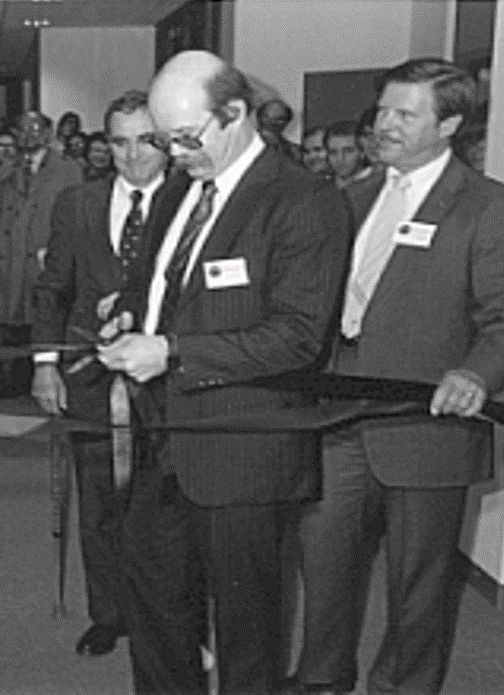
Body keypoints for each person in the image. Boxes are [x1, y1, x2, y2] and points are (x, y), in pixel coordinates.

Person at [96, 50, 351, 694]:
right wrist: (129, 317)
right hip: (163, 438)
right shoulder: (183, 188)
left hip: (244, 449)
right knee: (153, 607)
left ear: (235, 114)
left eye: (186, 137)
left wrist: (174, 351)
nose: (175, 154)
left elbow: (297, 338)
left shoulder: (303, 201)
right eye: (166, 140)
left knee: (246, 632)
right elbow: (159, 286)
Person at [291, 58, 504, 695]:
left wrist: (475, 372)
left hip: (427, 429)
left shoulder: (486, 207)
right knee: (324, 567)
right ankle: (322, 680)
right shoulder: (348, 199)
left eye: (404, 114)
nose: (383, 125)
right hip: (338, 420)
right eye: (383, 109)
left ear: (452, 124)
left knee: (418, 587)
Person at [32, 90, 188, 658]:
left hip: (170, 380)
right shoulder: (77, 203)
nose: (132, 156)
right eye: (118, 142)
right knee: (98, 501)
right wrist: (46, 364)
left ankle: (166, 616)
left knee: (166, 504)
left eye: (146, 140)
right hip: (89, 377)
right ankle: (109, 612)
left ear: (167, 141)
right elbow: (52, 290)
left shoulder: (193, 200)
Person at [0, 111, 84, 395]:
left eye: (36, 128)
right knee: (12, 320)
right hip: (12, 254)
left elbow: (76, 215)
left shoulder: (68, 169)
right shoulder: (8, 168)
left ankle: (43, 377)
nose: (29, 134)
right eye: (23, 129)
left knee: (43, 313)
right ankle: (14, 379)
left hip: (45, 253)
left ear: (48, 133)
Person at [324, 120, 374, 188]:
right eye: (333, 152)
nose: (340, 158)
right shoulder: (319, 189)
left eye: (348, 151)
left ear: (363, 152)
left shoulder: (380, 185)